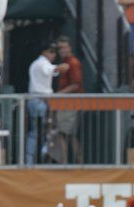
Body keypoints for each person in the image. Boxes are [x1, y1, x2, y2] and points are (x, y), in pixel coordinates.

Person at [26, 44, 70, 165]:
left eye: (55, 52)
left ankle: (31, 160)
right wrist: (62, 67)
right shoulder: (42, 63)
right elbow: (52, 69)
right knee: (43, 132)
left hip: (35, 99)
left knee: (36, 132)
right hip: (40, 100)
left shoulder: (36, 64)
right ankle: (38, 159)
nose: (54, 55)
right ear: (44, 52)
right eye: (51, 52)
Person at [55, 36, 83, 164]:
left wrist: (58, 94)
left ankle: (65, 162)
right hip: (68, 102)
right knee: (69, 134)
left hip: (70, 102)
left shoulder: (73, 63)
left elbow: (76, 84)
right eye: (60, 48)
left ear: (70, 47)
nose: (62, 50)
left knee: (64, 133)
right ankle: (75, 161)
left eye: (64, 47)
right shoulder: (66, 62)